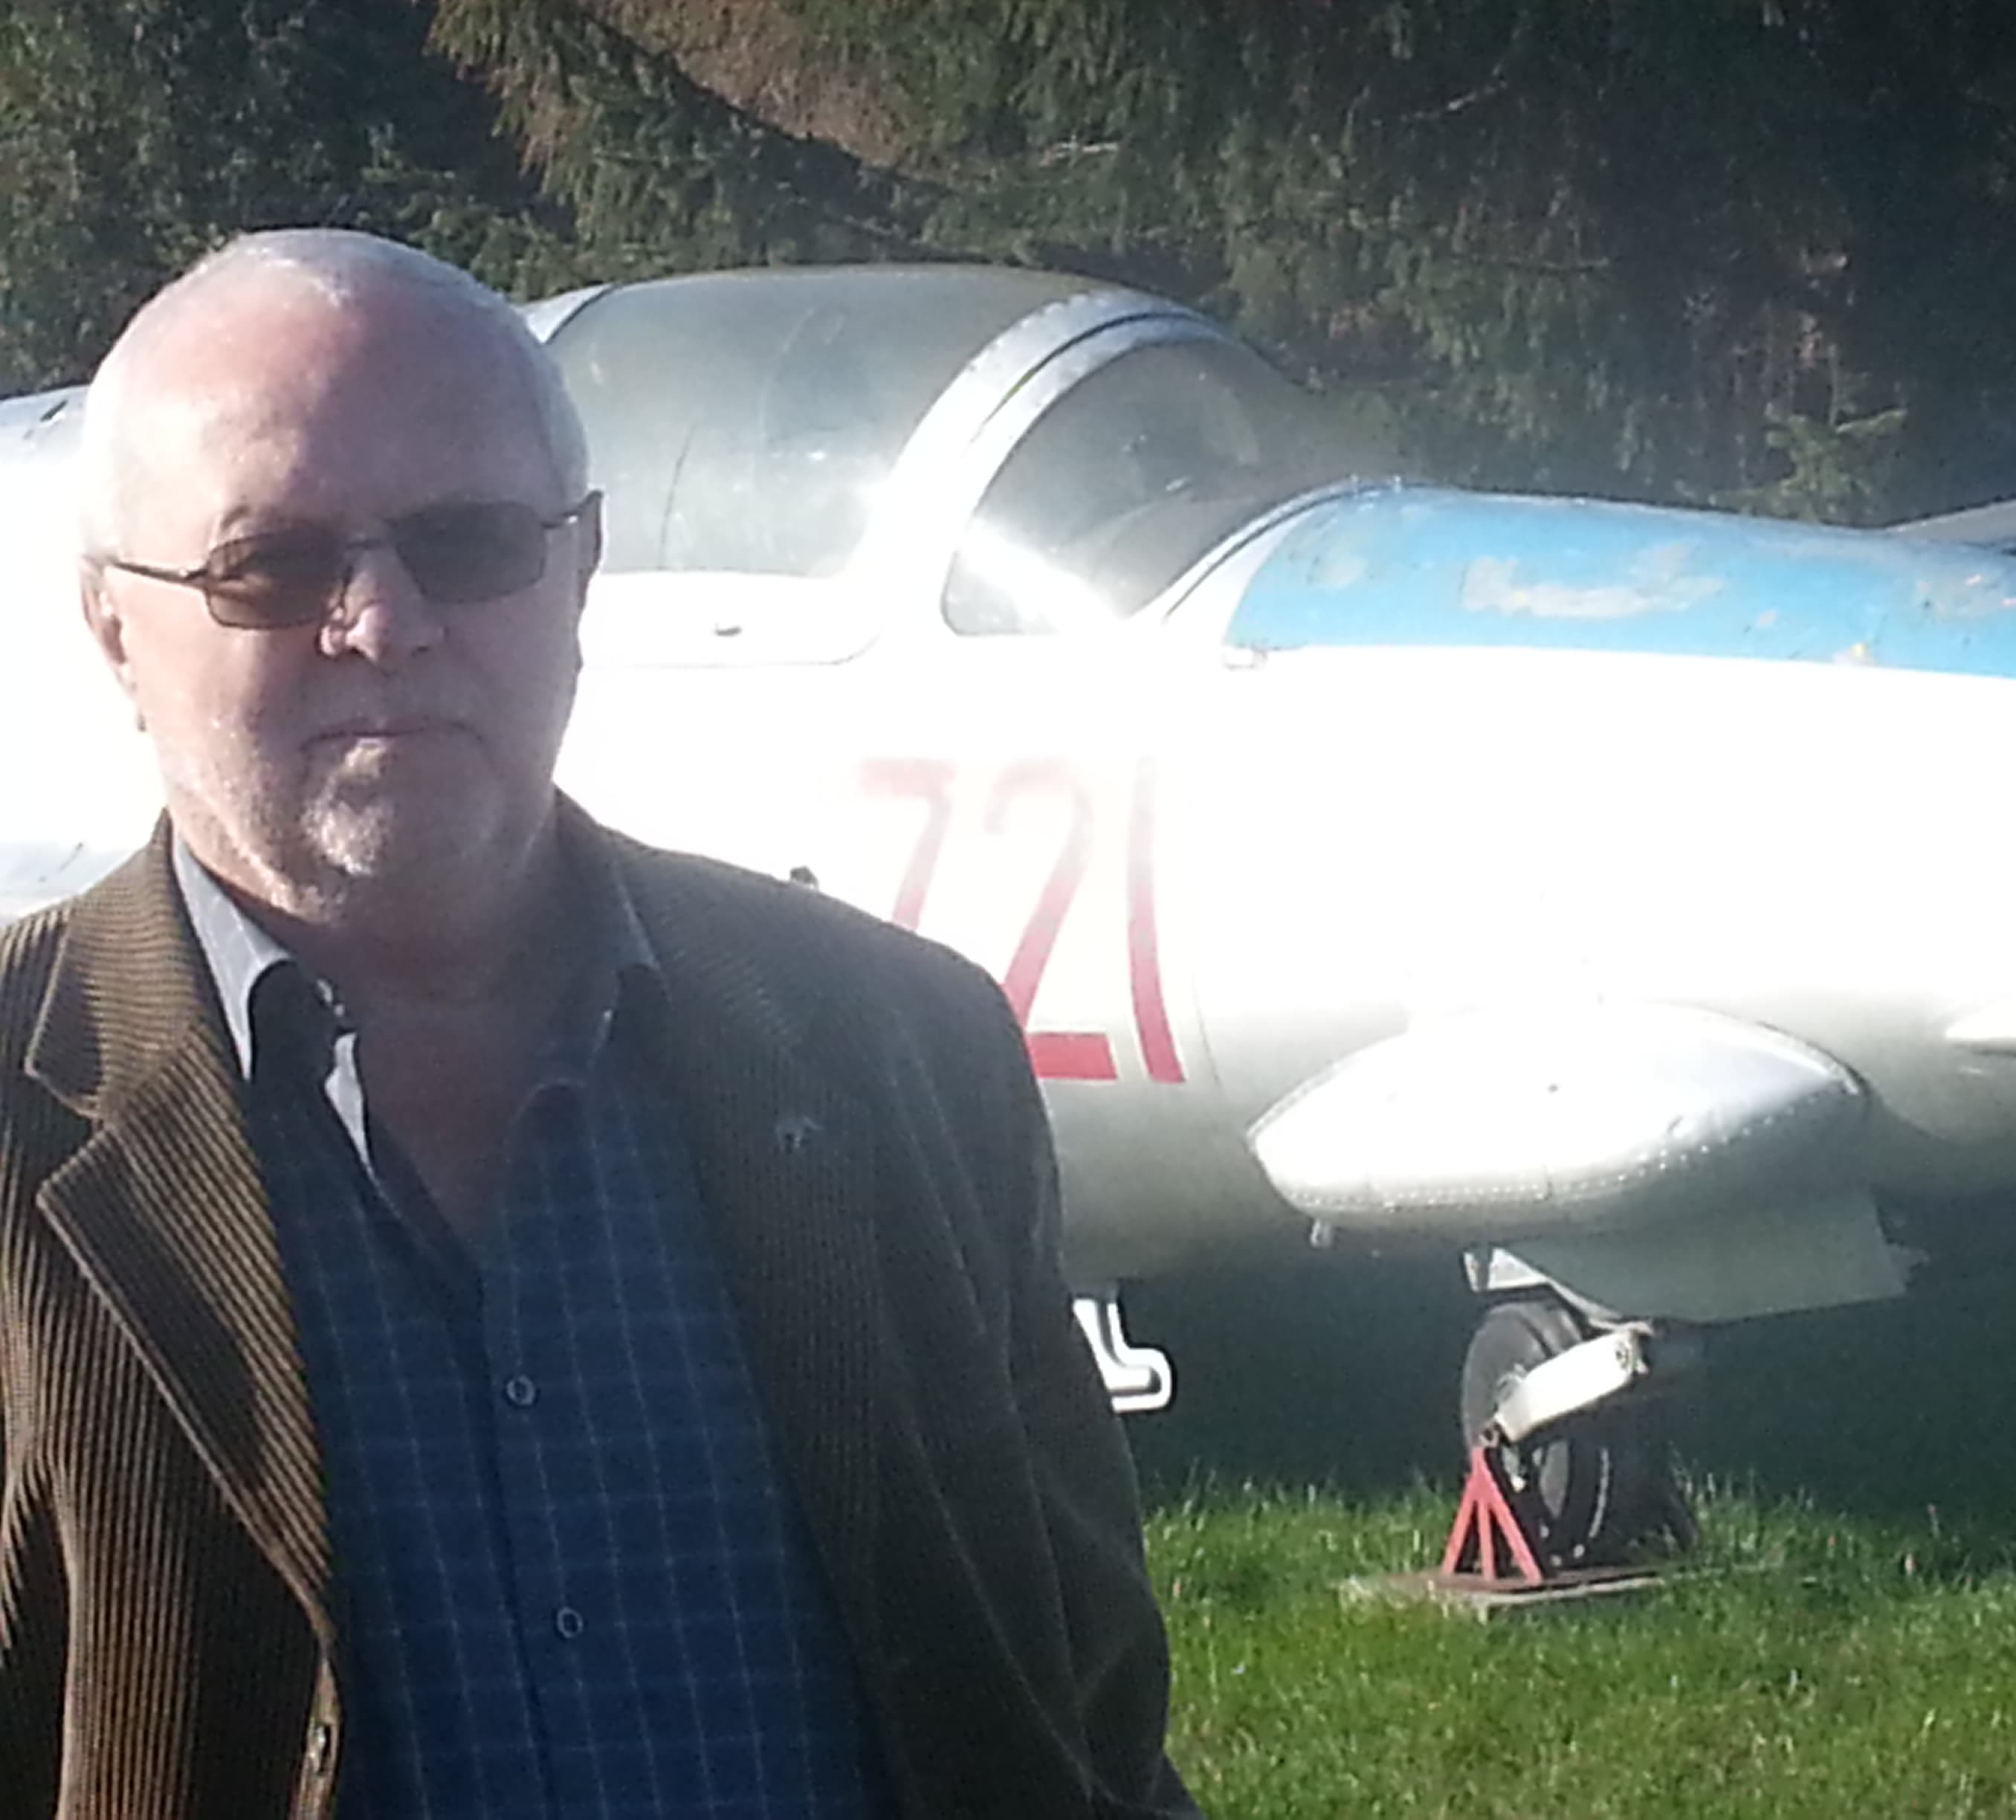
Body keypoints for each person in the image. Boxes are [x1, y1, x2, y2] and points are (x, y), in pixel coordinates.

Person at [0, 229, 1197, 1820]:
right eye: (273, 565)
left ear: (581, 567)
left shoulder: (899, 1052)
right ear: (113, 631)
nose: (384, 623)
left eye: (471, 543)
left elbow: (1089, 1724)